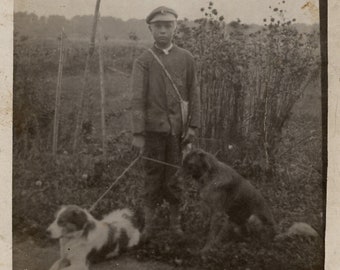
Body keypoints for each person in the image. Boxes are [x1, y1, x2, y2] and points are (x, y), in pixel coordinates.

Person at [130, 6, 200, 241]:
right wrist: (138, 132)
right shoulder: (144, 60)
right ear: (150, 29)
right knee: (152, 176)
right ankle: (149, 226)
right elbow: (137, 98)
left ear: (175, 28)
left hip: (177, 132)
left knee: (174, 177)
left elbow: (193, 92)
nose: (163, 31)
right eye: (158, 26)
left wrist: (192, 126)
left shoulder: (186, 58)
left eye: (167, 26)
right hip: (152, 131)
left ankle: (175, 225)